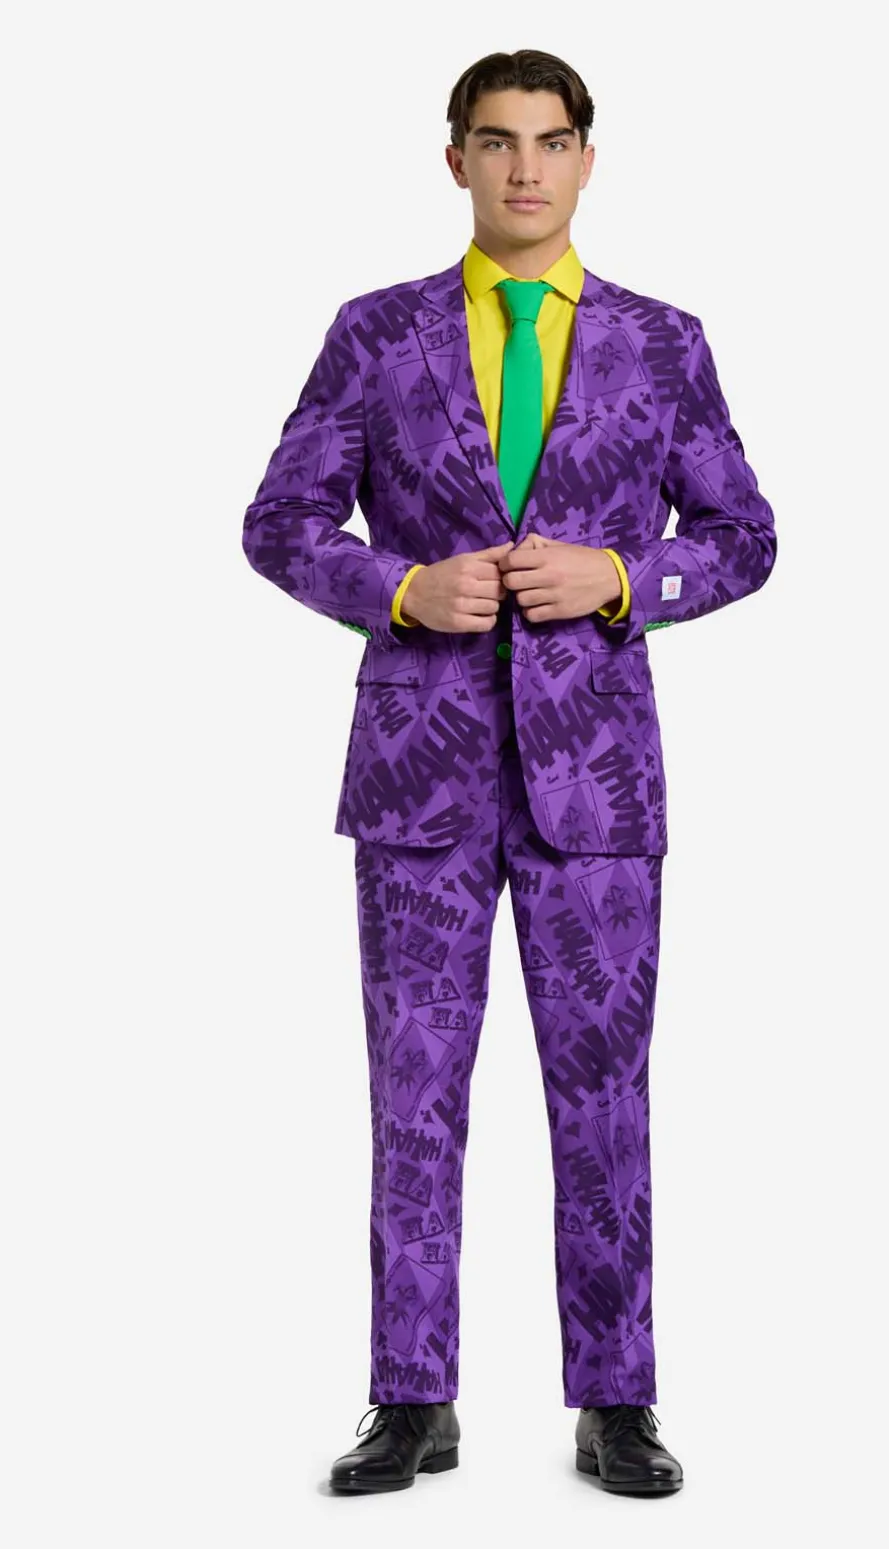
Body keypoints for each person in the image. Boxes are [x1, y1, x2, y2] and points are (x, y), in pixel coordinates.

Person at [241, 47, 776, 1498]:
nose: (524, 167)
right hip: (418, 778)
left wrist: (625, 577)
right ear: (456, 159)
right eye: (496, 140)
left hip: (595, 786)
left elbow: (744, 536)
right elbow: (281, 520)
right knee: (413, 1096)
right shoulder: (377, 334)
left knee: (605, 1097)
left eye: (549, 141)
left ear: (587, 159)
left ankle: (618, 1401)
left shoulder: (662, 343)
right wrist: (400, 590)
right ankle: (412, 1399)